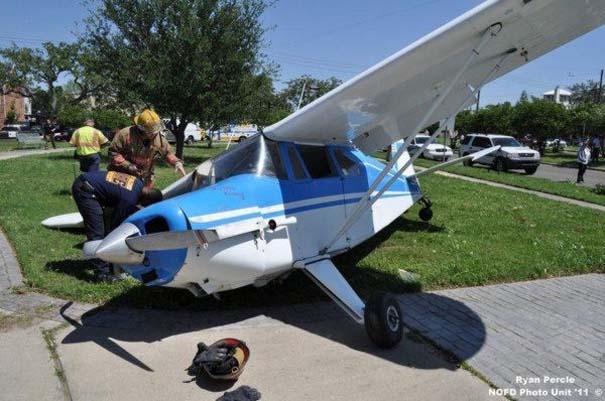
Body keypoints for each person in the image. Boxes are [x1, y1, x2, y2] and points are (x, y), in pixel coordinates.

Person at [71, 170, 163, 281]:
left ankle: (105, 263)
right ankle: (102, 274)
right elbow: (115, 228)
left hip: (89, 180)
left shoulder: (138, 183)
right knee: (97, 231)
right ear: (147, 198)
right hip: (85, 190)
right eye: (146, 205)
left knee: (103, 225)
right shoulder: (129, 199)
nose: (143, 206)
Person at [108, 109, 186, 188]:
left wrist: (176, 163)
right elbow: (113, 153)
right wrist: (127, 165)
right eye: (151, 132)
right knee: (125, 198)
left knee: (148, 198)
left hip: (145, 178)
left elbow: (167, 153)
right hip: (122, 176)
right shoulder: (125, 134)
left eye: (155, 131)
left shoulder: (158, 138)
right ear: (141, 128)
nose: (154, 134)